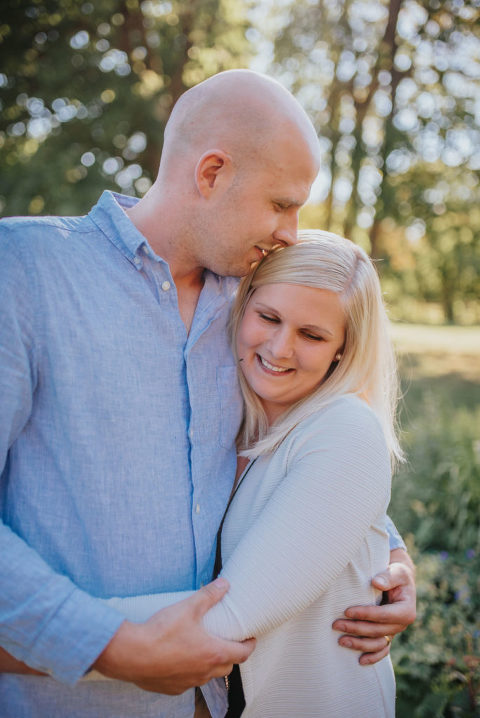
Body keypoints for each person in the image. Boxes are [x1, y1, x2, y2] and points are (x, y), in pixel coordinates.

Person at [0, 70, 415, 718]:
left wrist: (385, 549)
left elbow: (304, 450)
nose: (292, 231)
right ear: (212, 172)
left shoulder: (250, 304)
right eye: (281, 204)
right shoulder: (24, 272)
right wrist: (106, 645)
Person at [88, 231, 403, 717]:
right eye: (269, 318)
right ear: (243, 305)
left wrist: (33, 632)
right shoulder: (226, 411)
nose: (279, 348)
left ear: (343, 348)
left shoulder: (346, 430)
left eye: (312, 335)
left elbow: (228, 617)